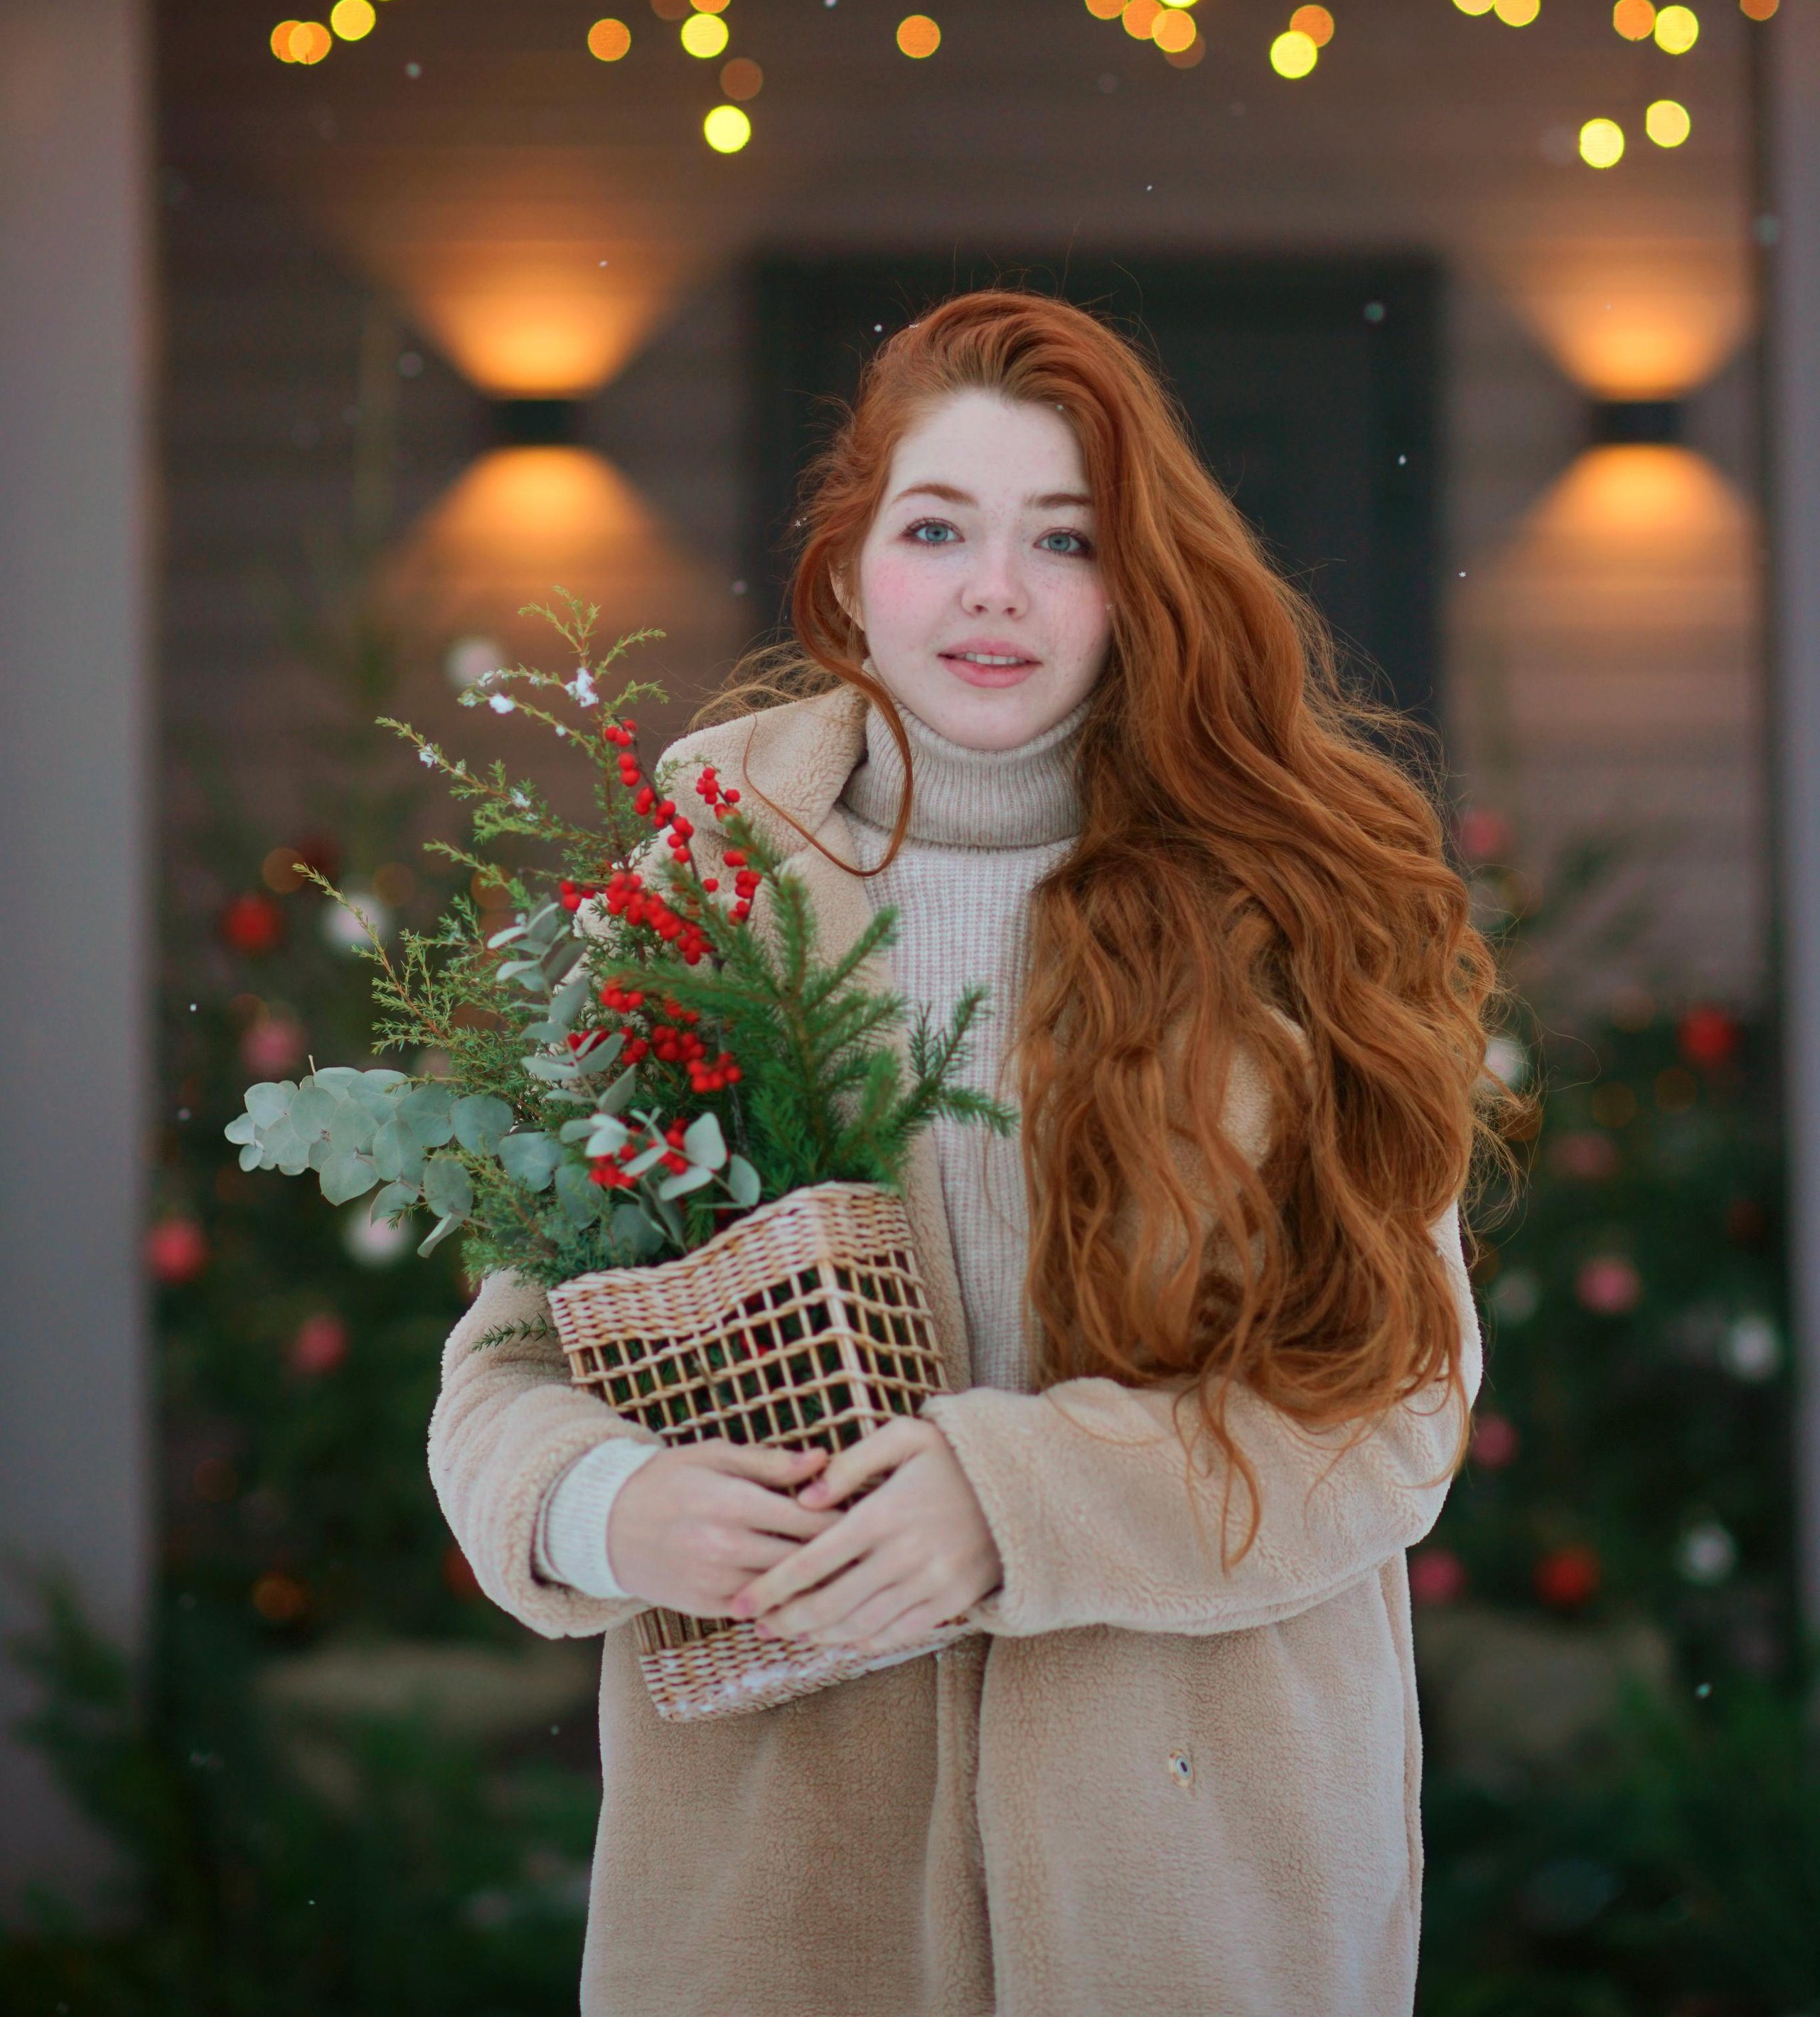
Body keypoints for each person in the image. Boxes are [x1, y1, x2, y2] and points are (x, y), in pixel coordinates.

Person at [429, 289, 1499, 2017]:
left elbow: (1389, 1412)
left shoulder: (1283, 916)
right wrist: (603, 1501)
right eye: (936, 527)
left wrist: (1017, 1501)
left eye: (1060, 539)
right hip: (775, 1913)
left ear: (1132, 586)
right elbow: (502, 1369)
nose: (992, 586)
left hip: (1199, 1898)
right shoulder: (695, 902)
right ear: (851, 570)